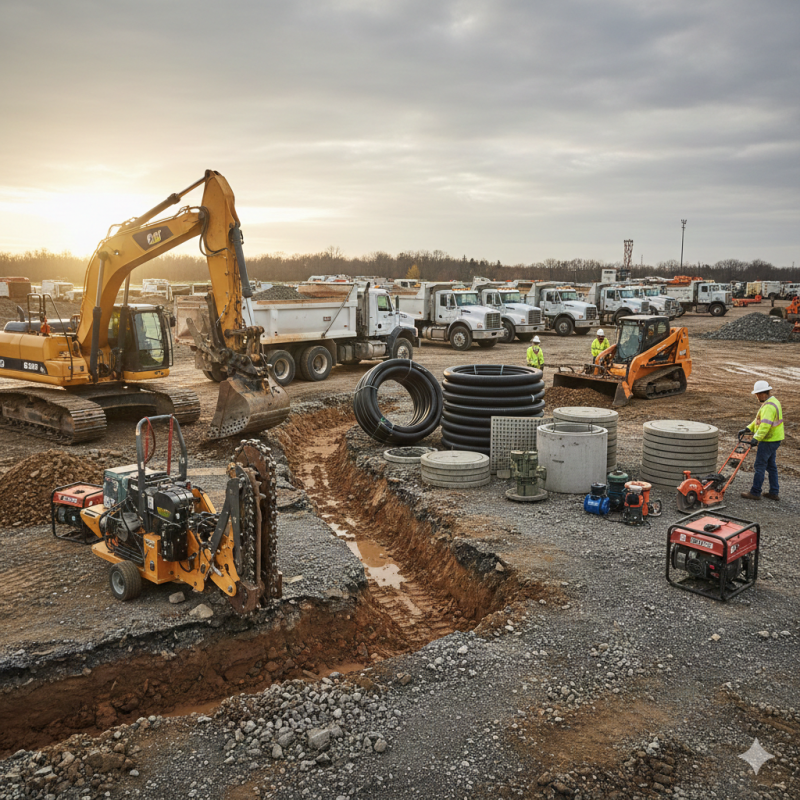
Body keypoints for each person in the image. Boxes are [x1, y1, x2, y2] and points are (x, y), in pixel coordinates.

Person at [740, 379, 783, 501]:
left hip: (768, 440)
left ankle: (755, 492)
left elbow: (765, 426)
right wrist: (748, 428)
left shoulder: (769, 406)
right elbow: (759, 420)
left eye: (758, 394)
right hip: (774, 439)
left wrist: (756, 438)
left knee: (760, 465)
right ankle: (774, 492)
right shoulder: (772, 402)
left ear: (764, 393)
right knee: (771, 466)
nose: (757, 397)